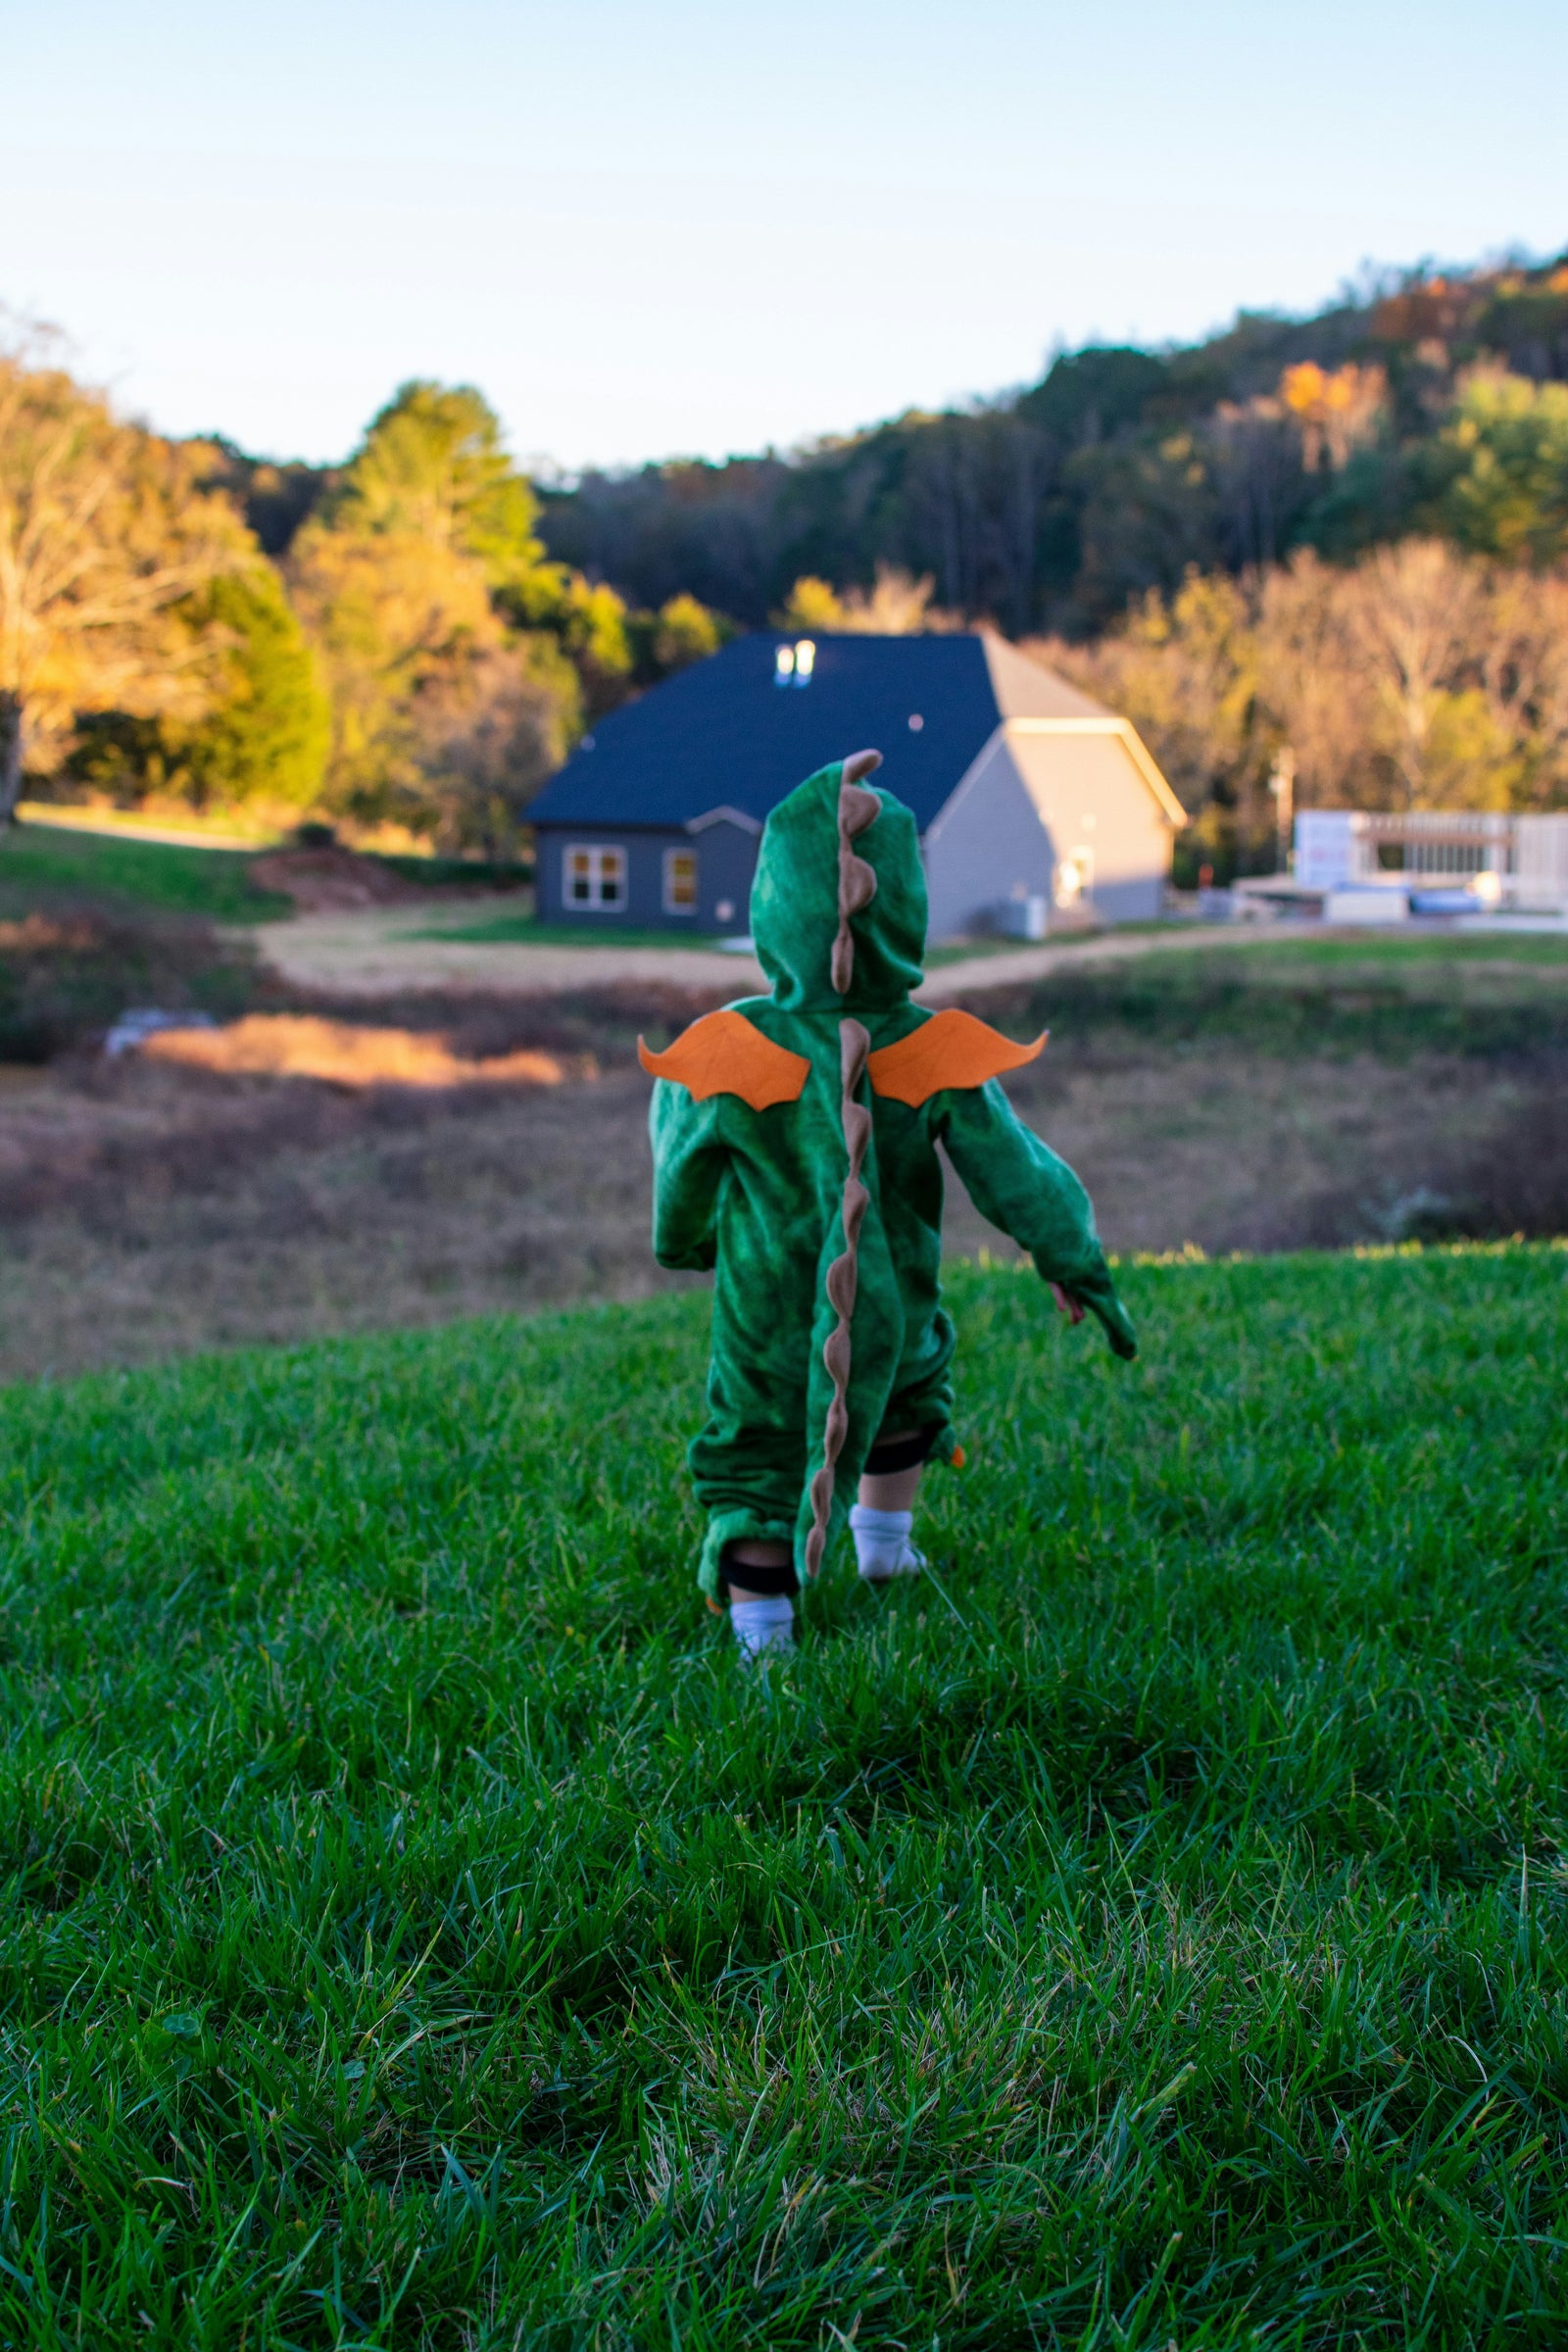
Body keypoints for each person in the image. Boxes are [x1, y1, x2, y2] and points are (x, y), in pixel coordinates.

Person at [640, 752, 1137, 1658]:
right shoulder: (928, 1047)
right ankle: (882, 1542)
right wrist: (1070, 1258)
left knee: (759, 1441)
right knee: (904, 1392)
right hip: (894, 1295)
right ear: (906, 905)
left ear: (774, 901)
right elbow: (1015, 1168)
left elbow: (680, 1172)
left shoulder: (726, 1050)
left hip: (762, 1307)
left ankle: (763, 1634)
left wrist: (685, 1241)